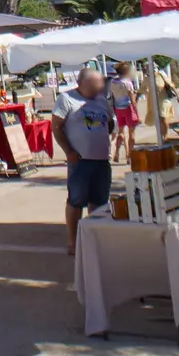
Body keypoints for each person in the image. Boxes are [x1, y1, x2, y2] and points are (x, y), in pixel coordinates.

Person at [53, 68, 115, 255]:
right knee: (76, 200)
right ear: (84, 83)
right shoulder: (66, 99)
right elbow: (56, 127)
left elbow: (110, 123)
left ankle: (95, 237)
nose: (100, 87)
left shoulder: (102, 100)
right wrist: (68, 151)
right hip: (80, 161)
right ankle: (73, 241)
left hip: (101, 159)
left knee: (99, 201)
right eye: (97, 83)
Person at [107, 62, 140, 164]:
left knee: (120, 132)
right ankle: (129, 156)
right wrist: (137, 113)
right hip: (128, 107)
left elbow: (111, 96)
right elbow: (132, 100)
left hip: (118, 108)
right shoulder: (128, 83)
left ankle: (117, 153)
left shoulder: (112, 82)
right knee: (131, 133)